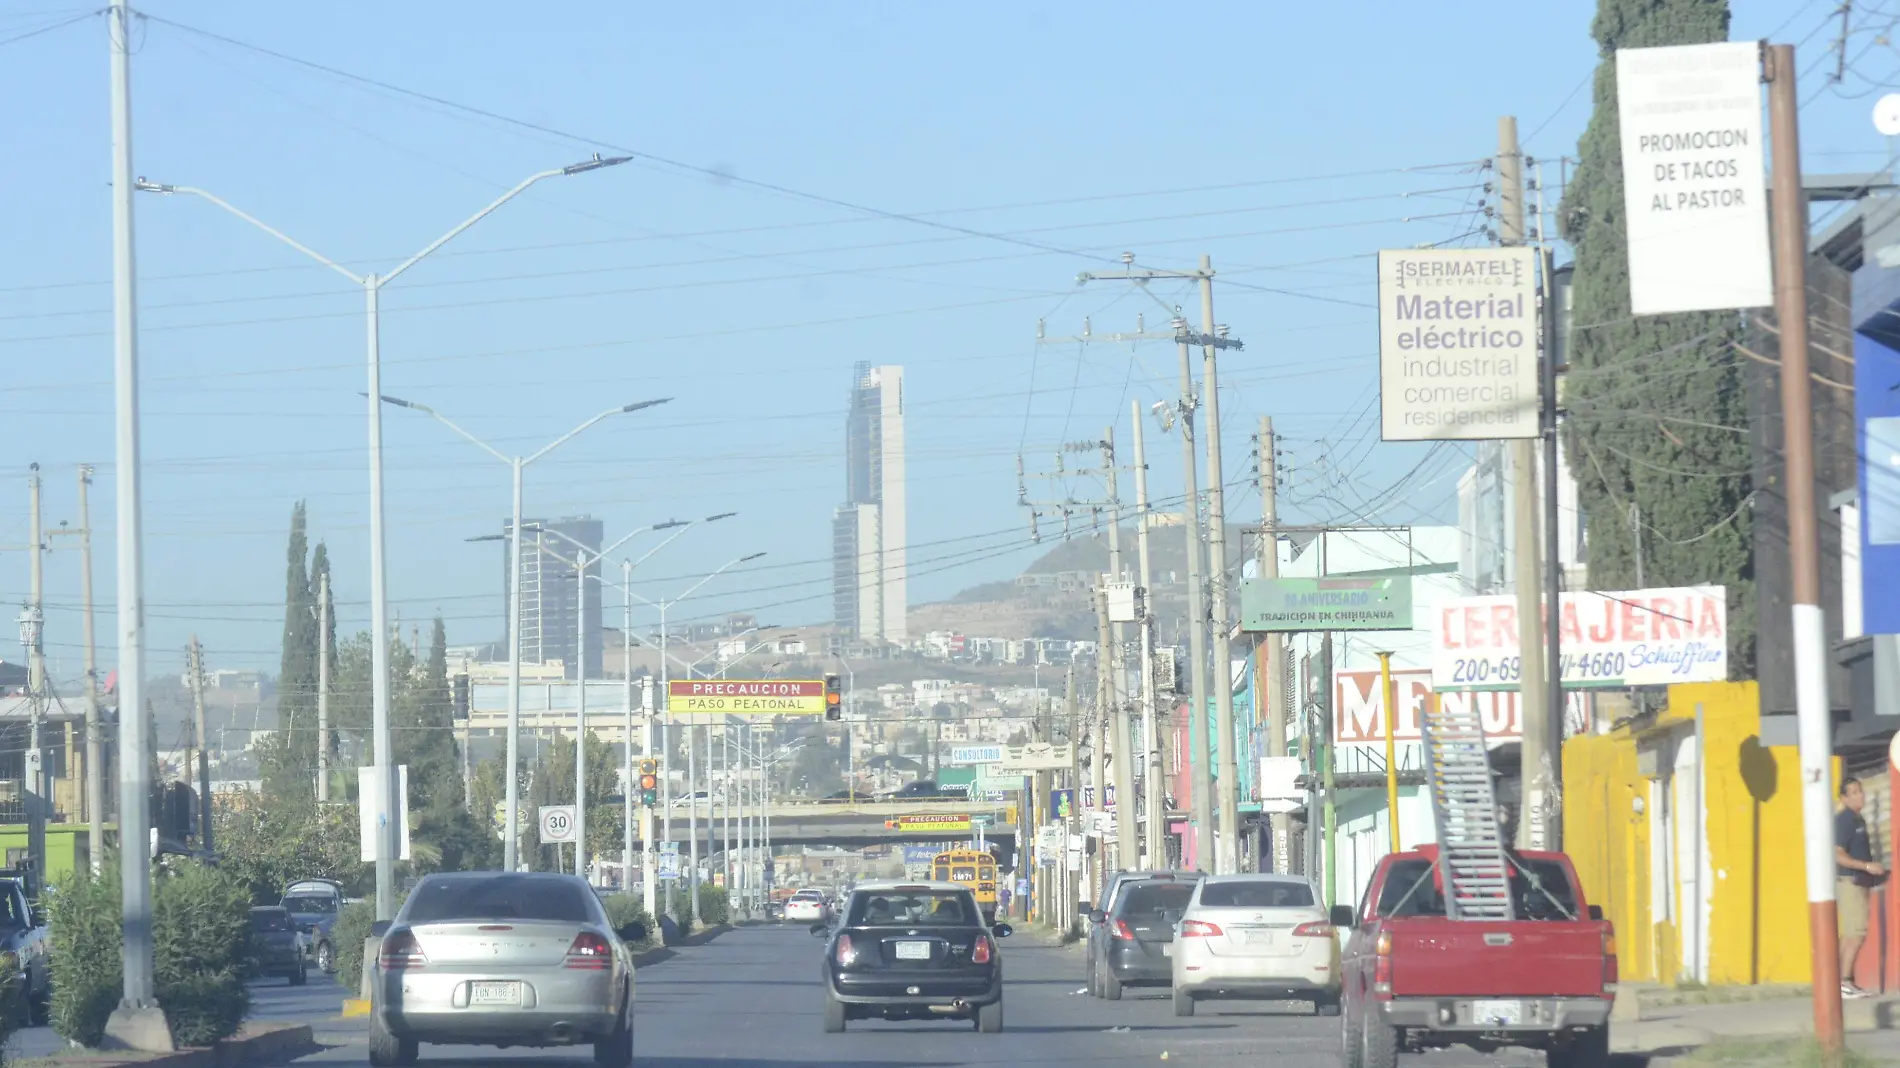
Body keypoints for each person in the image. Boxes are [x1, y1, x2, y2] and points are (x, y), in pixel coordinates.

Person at [1836, 776, 1886, 999]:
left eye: (1860, 791)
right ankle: (1844, 982)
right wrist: (1865, 865)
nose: (1860, 796)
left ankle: (1840, 981)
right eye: (1853, 792)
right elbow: (1838, 855)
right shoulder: (1845, 819)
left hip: (1860, 881)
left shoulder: (1858, 819)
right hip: (1850, 881)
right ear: (1844, 798)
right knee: (1856, 933)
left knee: (1851, 933)